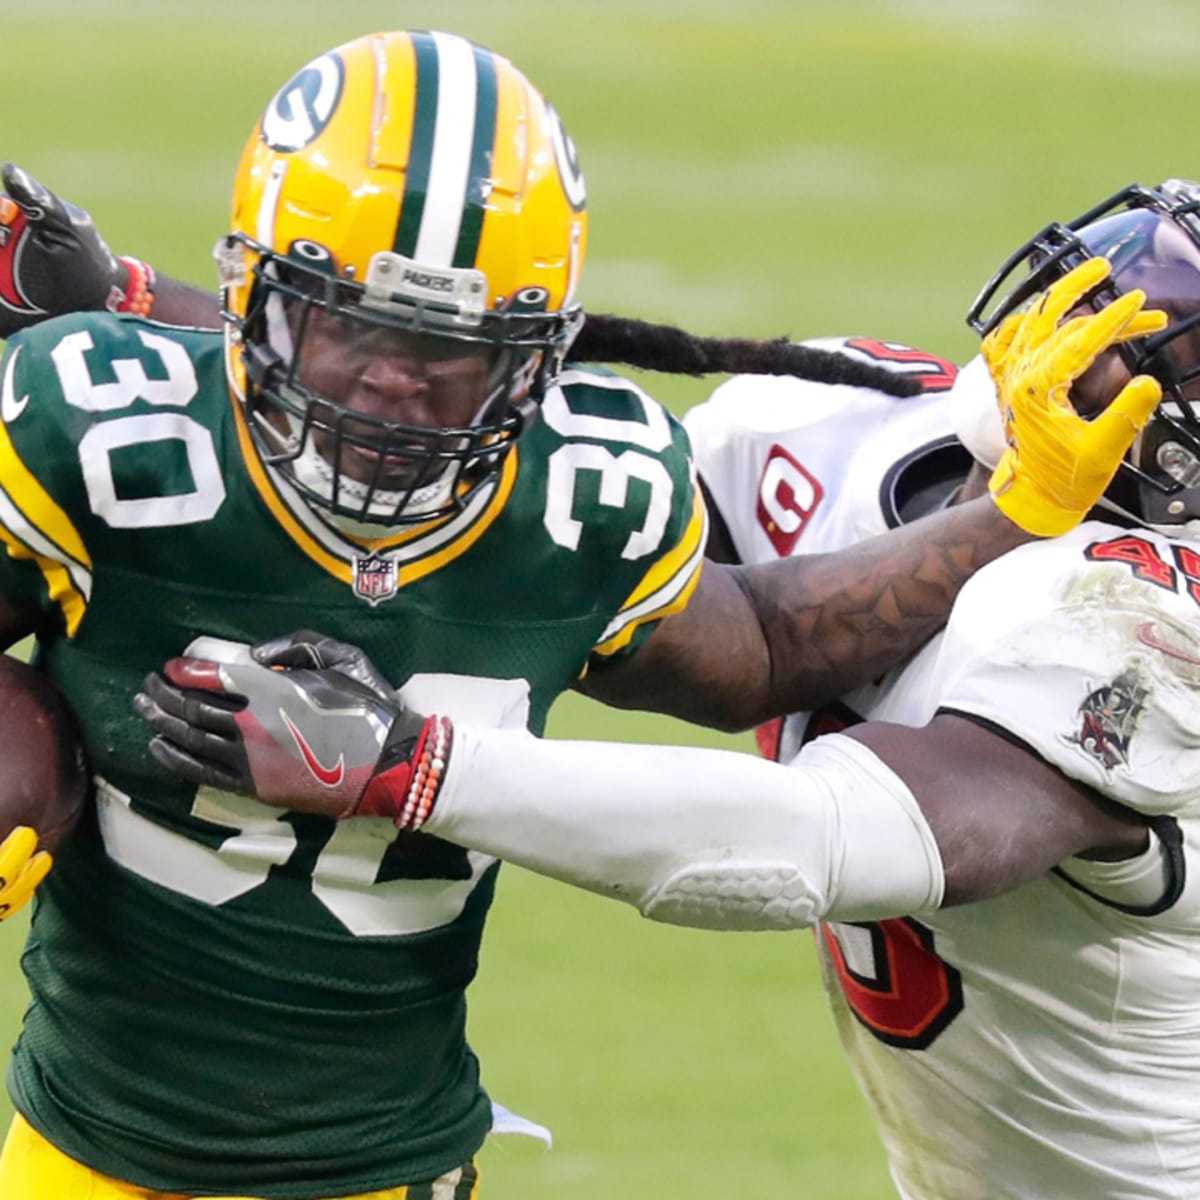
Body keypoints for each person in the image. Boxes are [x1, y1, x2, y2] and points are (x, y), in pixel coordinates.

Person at [0, 29, 1159, 1200]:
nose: (397, 386)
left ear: (540, 352)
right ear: (255, 294)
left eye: (453, 350)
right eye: (352, 327)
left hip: (385, 1165)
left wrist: (1015, 513)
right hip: (83, 1149)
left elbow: (762, 651)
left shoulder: (580, 488)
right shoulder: (93, 429)